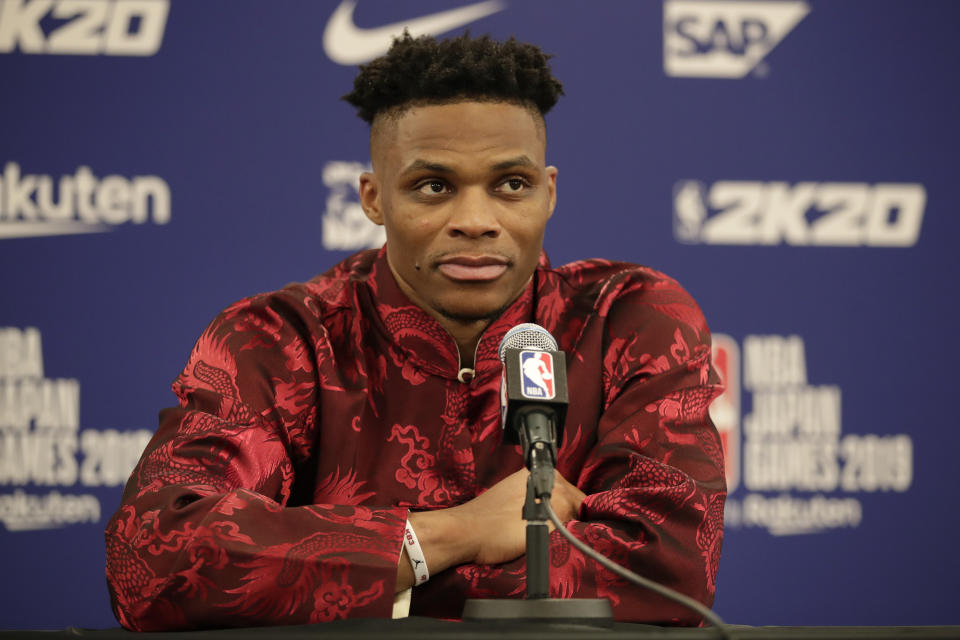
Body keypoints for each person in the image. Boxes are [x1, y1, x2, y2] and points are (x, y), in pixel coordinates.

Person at [105, 33, 726, 631]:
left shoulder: (628, 319)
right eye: (434, 186)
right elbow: (153, 561)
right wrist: (456, 532)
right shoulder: (279, 338)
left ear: (549, 191)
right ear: (374, 199)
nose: (477, 221)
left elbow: (664, 570)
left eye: (511, 184)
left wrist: (380, 582)